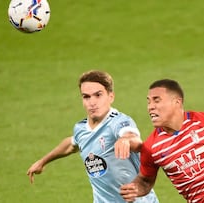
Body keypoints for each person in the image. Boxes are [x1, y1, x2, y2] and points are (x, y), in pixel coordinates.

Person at [27, 70, 159, 203]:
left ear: (111, 96)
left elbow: (133, 137)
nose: (92, 102)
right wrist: (42, 161)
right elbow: (70, 144)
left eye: (98, 95)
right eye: (86, 97)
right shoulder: (81, 129)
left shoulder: (118, 122)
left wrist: (125, 140)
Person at [120, 79, 204, 203]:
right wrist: (134, 188)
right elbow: (145, 180)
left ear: (177, 102)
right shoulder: (151, 146)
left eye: (157, 100)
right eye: (149, 102)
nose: (150, 107)